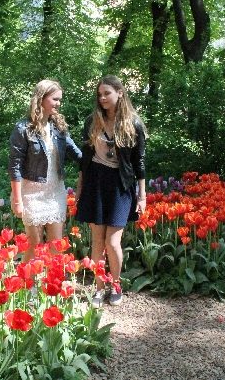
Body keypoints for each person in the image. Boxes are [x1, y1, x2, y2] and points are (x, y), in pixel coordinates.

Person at [76, 75, 147, 307]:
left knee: (113, 241)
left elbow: (139, 162)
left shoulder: (133, 124)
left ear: (120, 93)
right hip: (95, 182)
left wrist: (142, 196)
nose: (102, 98)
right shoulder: (92, 121)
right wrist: (80, 187)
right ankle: (98, 288)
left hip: (120, 185)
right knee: (97, 241)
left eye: (107, 93)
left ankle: (116, 285)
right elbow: (85, 158)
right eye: (100, 94)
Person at [8, 79, 82, 262]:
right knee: (34, 245)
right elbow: (15, 166)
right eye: (55, 99)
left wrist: (102, 159)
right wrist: (17, 200)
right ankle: (28, 280)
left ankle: (53, 280)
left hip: (55, 192)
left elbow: (77, 154)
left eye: (60, 100)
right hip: (30, 193)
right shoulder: (23, 128)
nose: (59, 103)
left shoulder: (58, 127)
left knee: (56, 245)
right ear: (41, 98)